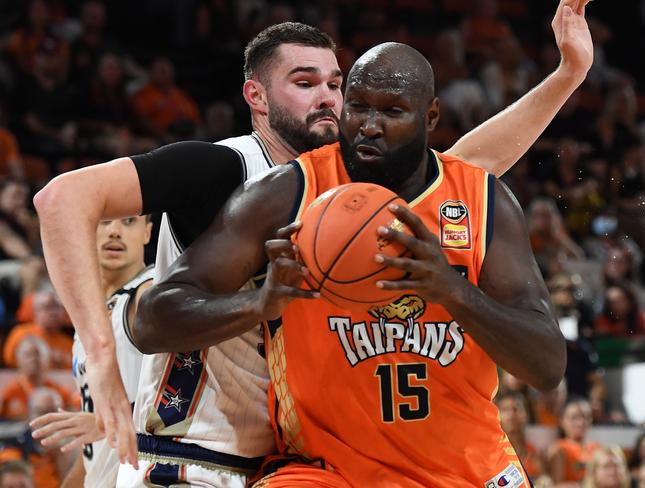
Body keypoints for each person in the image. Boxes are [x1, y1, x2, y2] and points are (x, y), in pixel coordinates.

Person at [33, 0, 594, 477]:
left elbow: (459, 170)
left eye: (334, 83)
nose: (329, 99)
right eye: (307, 84)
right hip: (195, 454)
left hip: (278, 457)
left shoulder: (359, 187)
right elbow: (63, 200)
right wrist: (104, 360)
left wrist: (567, 75)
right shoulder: (230, 172)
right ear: (255, 95)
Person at [143, 41, 565, 486]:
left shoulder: (482, 201)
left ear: (431, 117)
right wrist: (256, 306)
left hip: (469, 470)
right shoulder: (287, 195)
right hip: (326, 472)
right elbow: (154, 321)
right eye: (358, 106)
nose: (369, 126)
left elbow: (547, 365)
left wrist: (454, 290)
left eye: (391, 111)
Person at [29, 215, 153, 488]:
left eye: (129, 221)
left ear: (147, 232)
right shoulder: (90, 311)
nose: (115, 232)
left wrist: (109, 423)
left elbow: (187, 400)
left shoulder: (149, 295)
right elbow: (93, 455)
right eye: (105, 222)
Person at [547, 398, 601, 487]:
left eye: (585, 417)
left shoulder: (597, 448)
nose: (581, 423)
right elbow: (556, 485)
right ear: (562, 421)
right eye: (574, 418)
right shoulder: (559, 448)